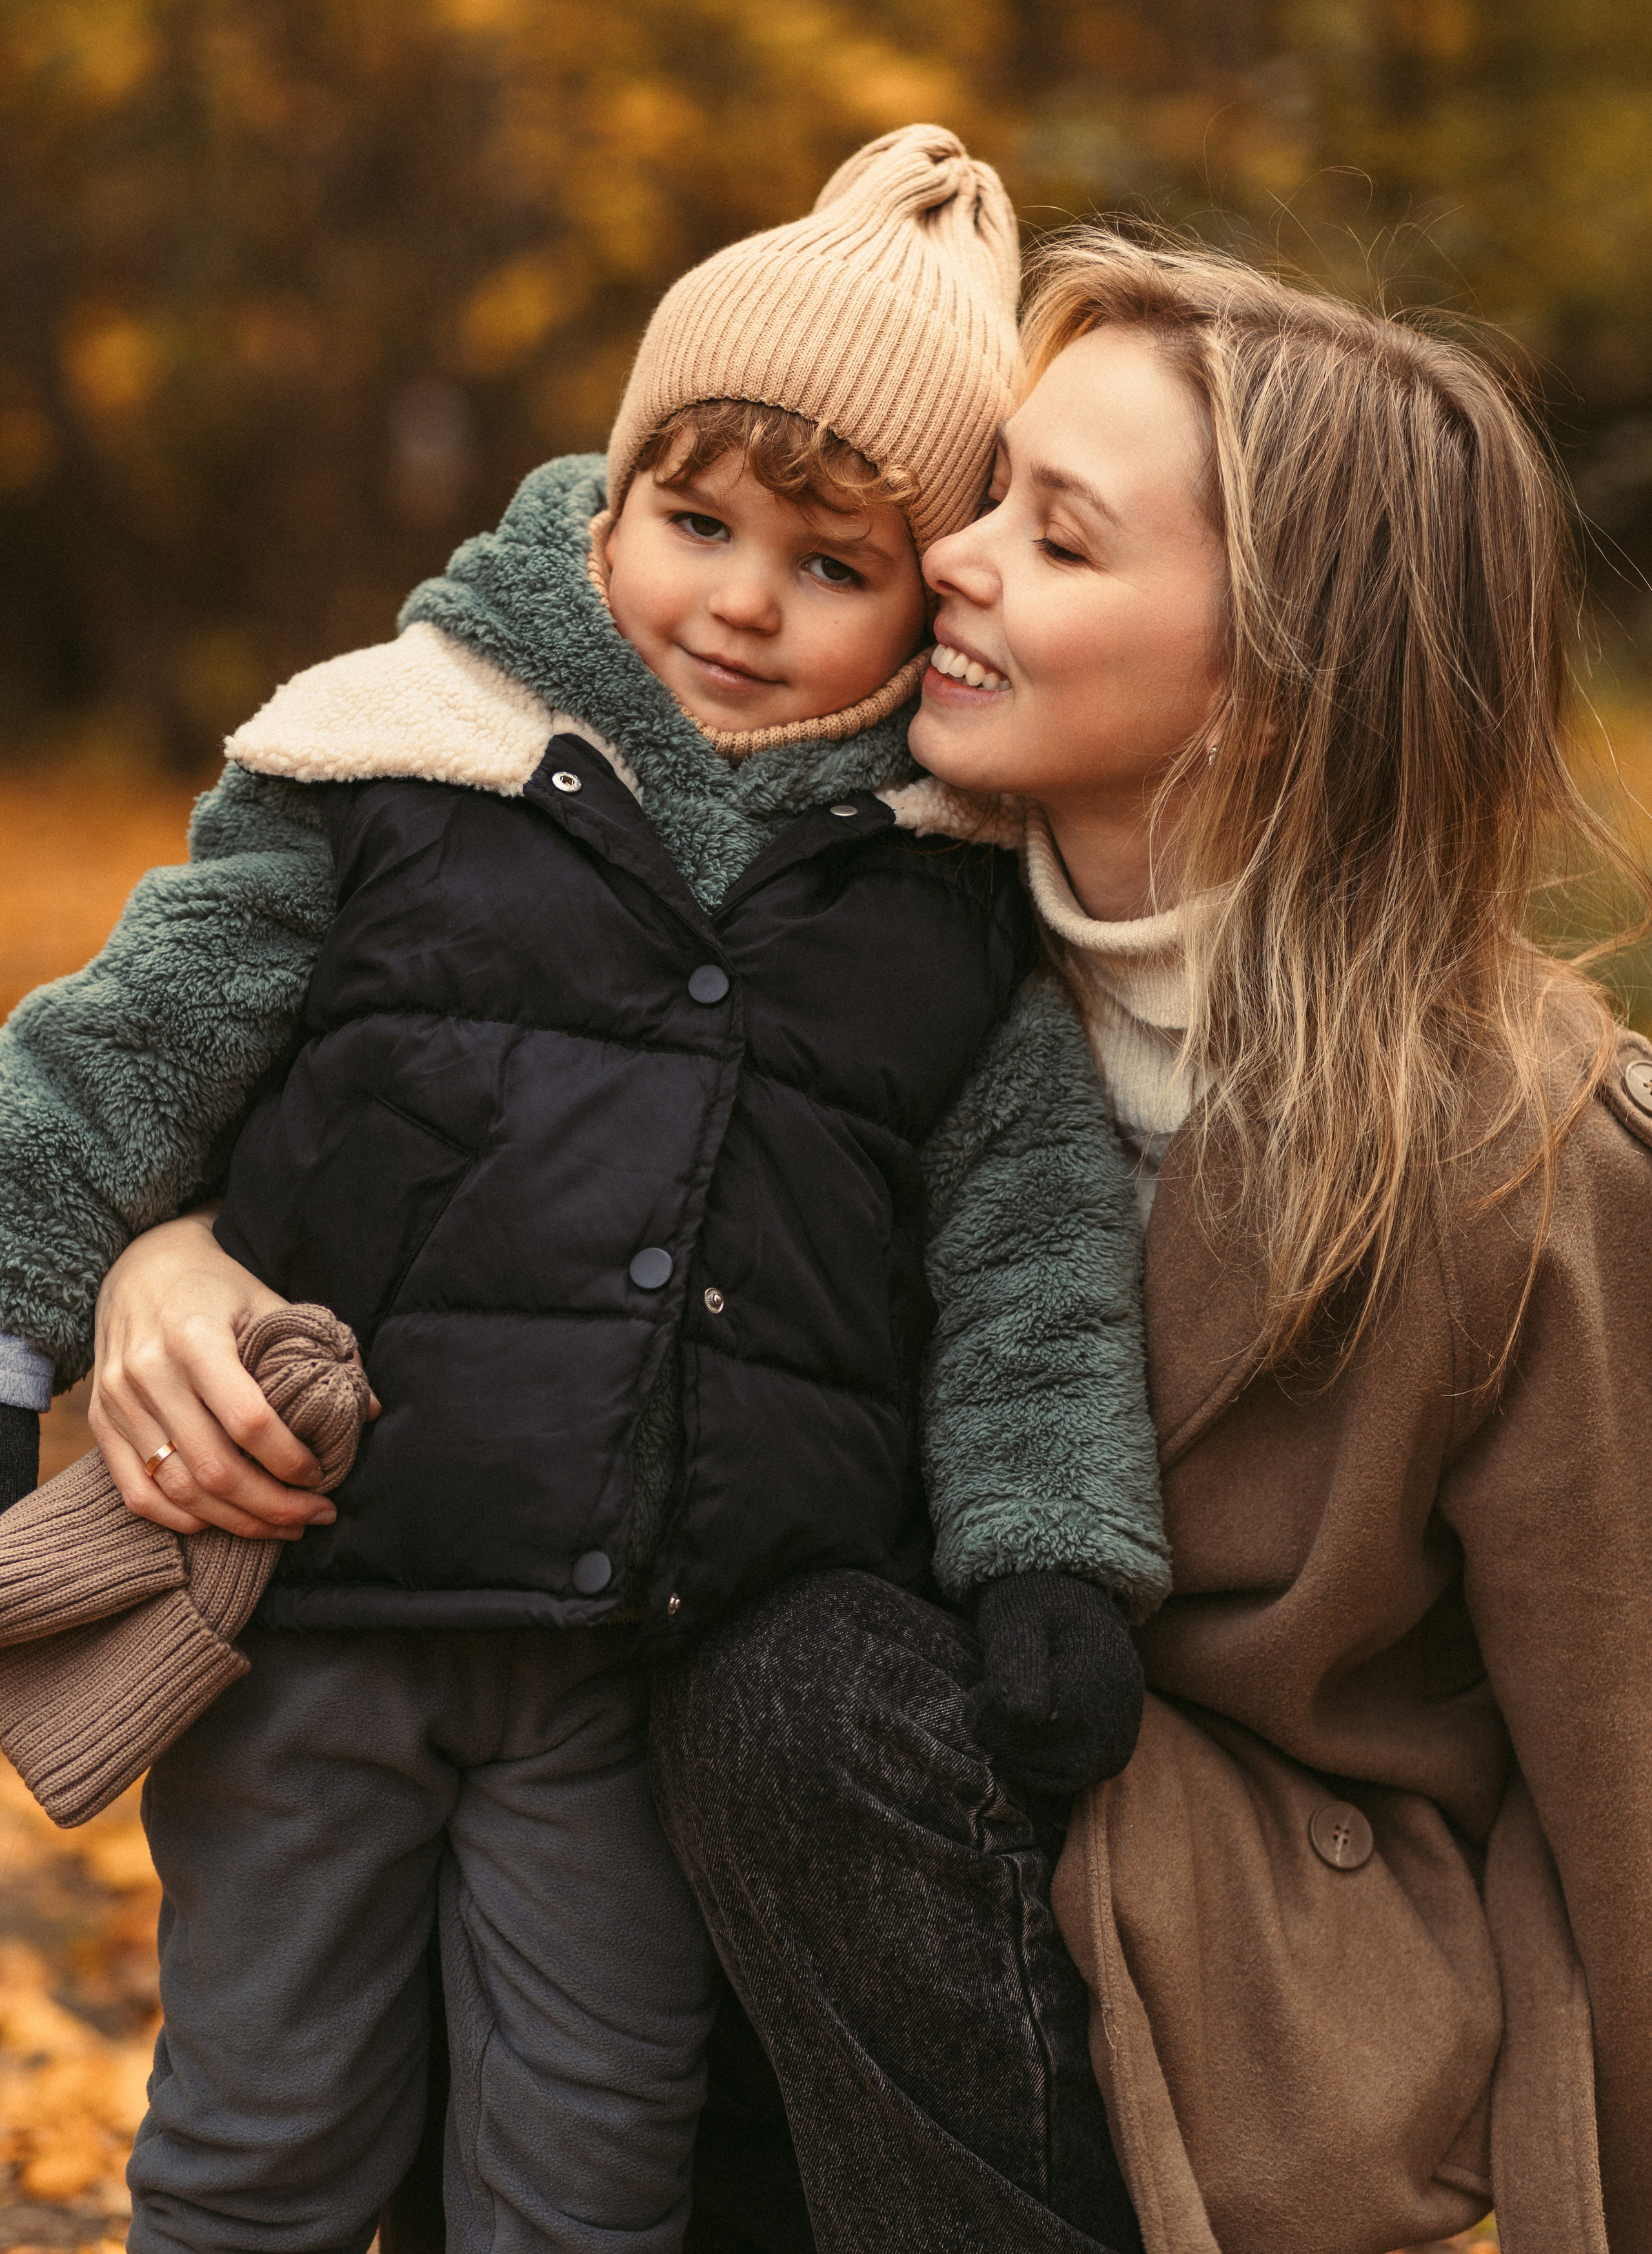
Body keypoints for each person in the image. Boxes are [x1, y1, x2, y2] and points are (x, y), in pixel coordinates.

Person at [0, 134, 1164, 2254]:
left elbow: (1032, 1259)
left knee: (586, 2168)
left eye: (831, 566)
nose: (741, 597)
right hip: (322, 1618)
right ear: (605, 500)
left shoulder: (943, 902)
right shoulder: (392, 763)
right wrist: (18, 1319)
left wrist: (1052, 1557)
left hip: (645, 1676)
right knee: (262, 2145)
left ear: (927, 604)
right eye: (697, 520)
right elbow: (127, 1045)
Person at [643, 228, 1652, 2253]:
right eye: (993, 494)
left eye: (1063, 539)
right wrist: (177, 1262)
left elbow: (1626, 1765)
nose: (953, 558)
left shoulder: (1514, 1148)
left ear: (1273, 689)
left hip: (1292, 1990)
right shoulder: (850, 942)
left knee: (803, 1694)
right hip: (845, 1887)